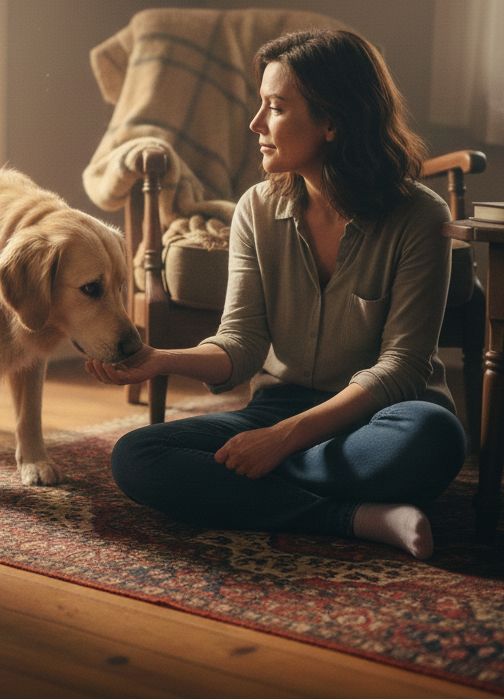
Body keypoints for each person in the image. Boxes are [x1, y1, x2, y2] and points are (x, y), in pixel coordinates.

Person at [86, 28, 467, 560]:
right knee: (138, 454)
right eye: (260, 106)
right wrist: (158, 360)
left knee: (434, 436)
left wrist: (283, 441)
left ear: (333, 121)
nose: (256, 124)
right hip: (277, 406)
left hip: (378, 416)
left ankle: (261, 489)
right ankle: (354, 517)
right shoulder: (256, 210)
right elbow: (241, 345)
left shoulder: (420, 216)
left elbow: (402, 367)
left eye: (276, 108)